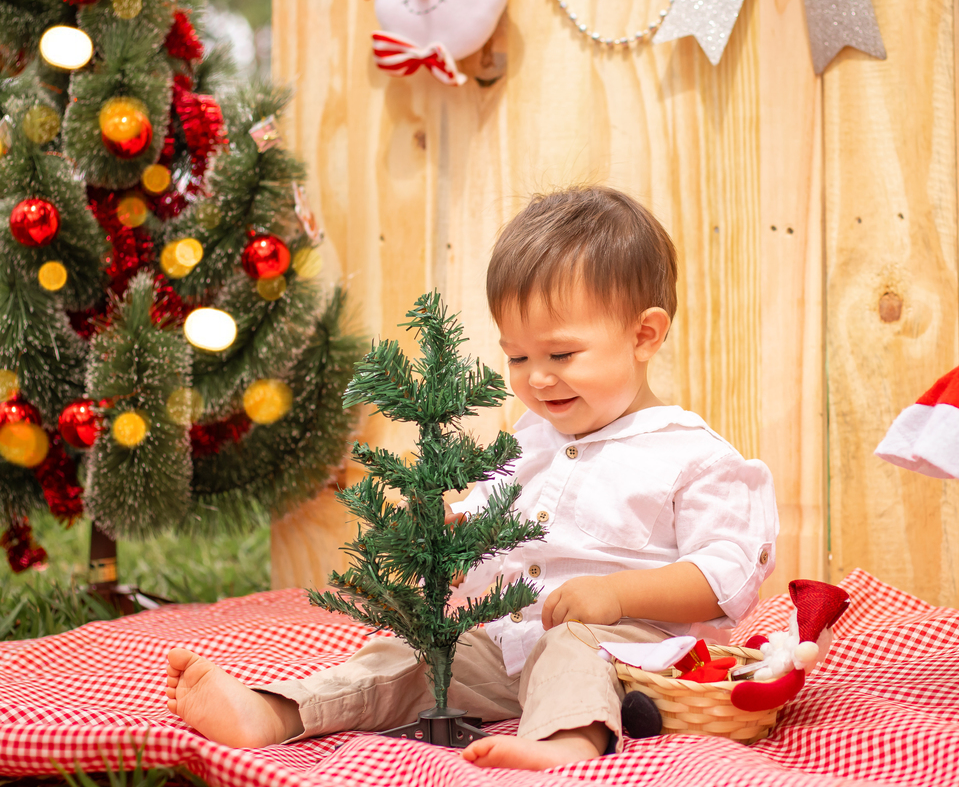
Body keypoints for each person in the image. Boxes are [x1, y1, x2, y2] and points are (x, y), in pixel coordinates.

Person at [165, 186, 780, 771]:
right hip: (508, 645)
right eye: (517, 356)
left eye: (561, 355)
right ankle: (277, 710)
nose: (536, 378)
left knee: (576, 648)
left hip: (627, 652)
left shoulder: (689, 454)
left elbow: (725, 575)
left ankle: (567, 741)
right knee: (420, 650)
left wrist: (616, 596)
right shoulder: (532, 438)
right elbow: (492, 508)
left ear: (644, 335)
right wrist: (447, 529)